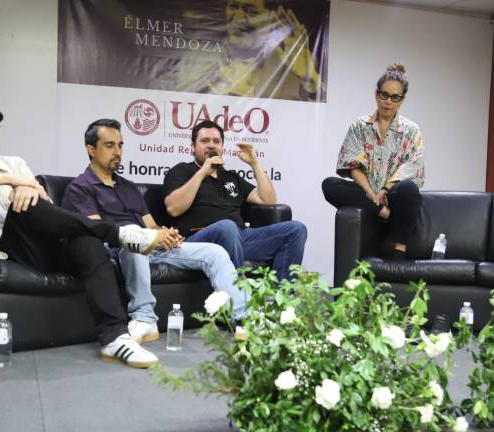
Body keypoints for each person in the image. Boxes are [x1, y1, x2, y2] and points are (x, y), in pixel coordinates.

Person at [0, 100, 161, 368]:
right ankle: (117, 233)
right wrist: (11, 182)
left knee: (87, 241)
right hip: (12, 249)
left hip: (48, 243)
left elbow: (47, 209)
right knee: (21, 204)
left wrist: (31, 190)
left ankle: (114, 338)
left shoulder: (14, 162)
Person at [61, 119, 248, 346]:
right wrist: (143, 235)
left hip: (150, 246)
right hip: (117, 248)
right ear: (91, 149)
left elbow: (151, 225)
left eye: (120, 145)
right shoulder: (80, 188)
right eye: (110, 145)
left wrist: (166, 234)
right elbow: (99, 231)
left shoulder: (128, 186)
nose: (117, 151)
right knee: (133, 234)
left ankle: (244, 318)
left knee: (215, 252)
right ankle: (144, 318)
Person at [163, 120, 307, 281]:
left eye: (216, 142)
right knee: (227, 226)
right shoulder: (181, 171)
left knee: (295, 229)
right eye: (204, 141)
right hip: (199, 240)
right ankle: (239, 298)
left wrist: (255, 163)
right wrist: (203, 172)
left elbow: (269, 200)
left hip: (238, 239)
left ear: (222, 148)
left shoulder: (231, 177)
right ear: (192, 147)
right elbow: (173, 208)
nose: (211, 146)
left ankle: (282, 301)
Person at [322, 64, 424, 261]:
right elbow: (353, 164)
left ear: (402, 100)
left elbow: (413, 165)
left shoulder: (411, 130)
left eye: (395, 97)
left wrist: (385, 190)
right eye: (384, 95)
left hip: (394, 195)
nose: (388, 102)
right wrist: (370, 193)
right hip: (368, 198)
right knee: (329, 184)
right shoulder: (360, 126)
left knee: (409, 189)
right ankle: (385, 214)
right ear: (376, 94)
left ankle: (399, 249)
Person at [175, 0, 325, 101]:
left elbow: (316, 121)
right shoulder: (199, 57)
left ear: (272, 17)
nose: (238, 18)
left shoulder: (291, 68)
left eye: (251, 11)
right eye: (233, 7)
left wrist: (311, 80)